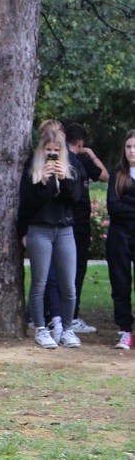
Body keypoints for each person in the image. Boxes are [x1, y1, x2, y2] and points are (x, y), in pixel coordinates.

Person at [18, 126, 81, 349]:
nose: (52, 154)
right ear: (41, 150)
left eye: (56, 150)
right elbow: (27, 204)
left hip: (64, 230)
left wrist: (64, 179)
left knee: (68, 285)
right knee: (40, 283)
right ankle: (40, 329)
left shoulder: (70, 168)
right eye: (48, 150)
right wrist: (43, 182)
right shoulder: (32, 170)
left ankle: (67, 329)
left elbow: (75, 199)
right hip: (39, 230)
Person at [65, 122, 108, 333]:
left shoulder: (62, 159)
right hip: (77, 223)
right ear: (81, 142)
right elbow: (105, 175)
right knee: (76, 270)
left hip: (65, 222)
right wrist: (90, 153)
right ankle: (70, 316)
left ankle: (57, 315)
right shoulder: (80, 160)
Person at [105, 130, 135, 350]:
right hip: (119, 237)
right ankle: (125, 330)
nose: (132, 151)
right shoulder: (117, 174)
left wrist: (126, 205)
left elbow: (121, 206)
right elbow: (113, 207)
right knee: (120, 284)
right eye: (128, 147)